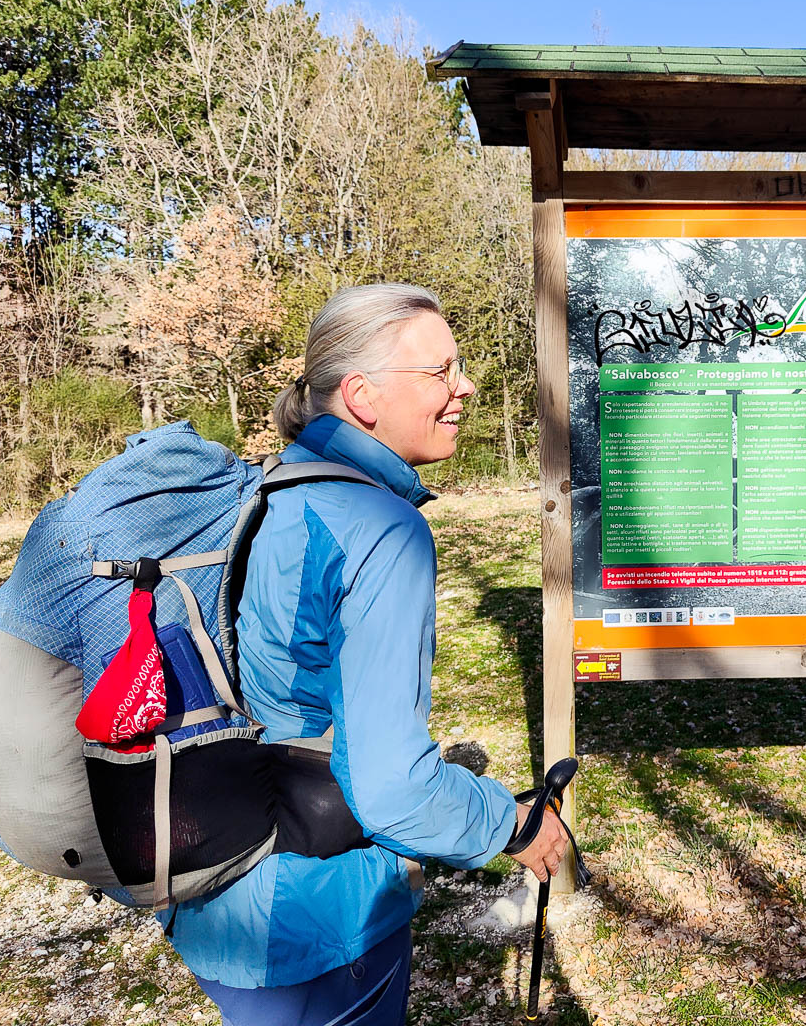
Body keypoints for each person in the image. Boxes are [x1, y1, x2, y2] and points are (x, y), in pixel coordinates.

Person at [166, 283, 567, 1025]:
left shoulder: (279, 489)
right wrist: (513, 823)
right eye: (441, 371)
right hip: (317, 917)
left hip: (219, 882)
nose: (465, 386)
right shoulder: (379, 527)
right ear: (362, 395)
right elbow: (391, 789)